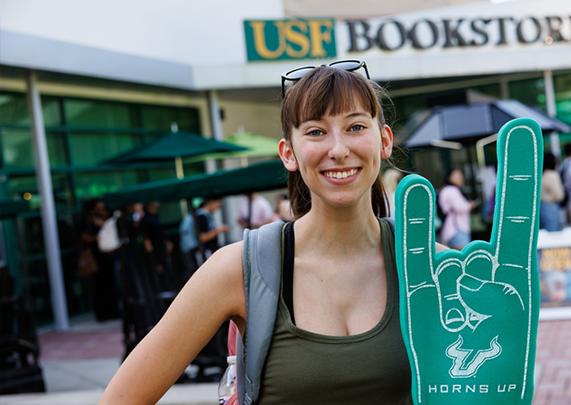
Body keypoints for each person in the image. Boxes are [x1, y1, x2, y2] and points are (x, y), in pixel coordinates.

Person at [99, 62, 420, 404]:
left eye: (355, 126)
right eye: (315, 132)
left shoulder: (435, 265)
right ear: (288, 153)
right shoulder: (238, 270)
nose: (338, 149)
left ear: (384, 141)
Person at [79, 198, 120, 322]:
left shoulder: (108, 219)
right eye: (99, 208)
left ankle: (113, 311)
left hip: (108, 256)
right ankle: (102, 314)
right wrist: (100, 237)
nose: (102, 210)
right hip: (95, 258)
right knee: (99, 287)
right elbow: (84, 238)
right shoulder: (87, 221)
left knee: (111, 284)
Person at [438, 168, 477, 249]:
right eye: (457, 176)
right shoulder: (452, 190)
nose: (461, 178)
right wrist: (470, 205)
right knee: (462, 255)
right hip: (457, 228)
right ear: (449, 178)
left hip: (451, 228)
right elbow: (461, 207)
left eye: (461, 176)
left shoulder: (446, 189)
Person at [540, 152, 564, 232]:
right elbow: (559, 195)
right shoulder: (552, 175)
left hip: (540, 207)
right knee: (552, 237)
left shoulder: (539, 175)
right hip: (550, 207)